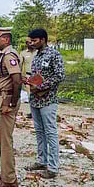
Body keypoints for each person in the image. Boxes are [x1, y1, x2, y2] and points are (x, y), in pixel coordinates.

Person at [24, 28, 65, 179]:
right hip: (35, 100)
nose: (32, 43)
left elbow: (60, 75)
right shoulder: (36, 56)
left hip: (48, 100)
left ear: (42, 39)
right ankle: (42, 161)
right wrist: (29, 82)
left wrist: (40, 87)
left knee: (51, 133)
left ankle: (53, 168)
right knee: (39, 132)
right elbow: (36, 76)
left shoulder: (54, 54)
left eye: (34, 41)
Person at [0, 28, 22, 187]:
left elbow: (17, 80)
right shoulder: (3, 54)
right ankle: (5, 174)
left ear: (7, 40)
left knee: (5, 141)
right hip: (2, 97)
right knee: (2, 140)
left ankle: (9, 180)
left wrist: (11, 102)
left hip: (6, 99)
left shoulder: (9, 56)